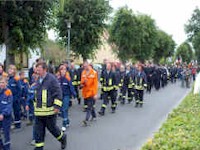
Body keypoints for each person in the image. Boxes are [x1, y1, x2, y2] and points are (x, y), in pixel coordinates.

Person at [34, 62, 66, 150]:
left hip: (50, 112)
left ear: (44, 70)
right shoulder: (37, 79)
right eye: (37, 70)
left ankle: (63, 138)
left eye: (39, 70)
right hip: (39, 113)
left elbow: (58, 93)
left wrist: (57, 106)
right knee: (38, 132)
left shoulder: (52, 79)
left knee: (53, 130)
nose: (37, 72)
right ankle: (39, 148)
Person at [58, 64, 76, 131]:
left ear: (66, 71)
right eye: (61, 69)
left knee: (64, 109)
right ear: (60, 71)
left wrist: (74, 94)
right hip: (59, 97)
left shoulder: (68, 79)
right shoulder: (58, 79)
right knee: (62, 111)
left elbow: (71, 87)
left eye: (64, 69)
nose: (63, 71)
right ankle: (67, 120)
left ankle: (64, 124)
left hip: (66, 96)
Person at [81, 60, 98, 126]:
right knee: (90, 106)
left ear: (89, 65)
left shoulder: (94, 73)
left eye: (86, 66)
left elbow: (95, 84)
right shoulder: (83, 72)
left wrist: (95, 94)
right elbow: (82, 82)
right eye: (84, 66)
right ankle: (94, 116)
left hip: (91, 92)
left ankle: (86, 119)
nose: (85, 67)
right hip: (85, 92)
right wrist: (83, 83)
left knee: (89, 106)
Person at [0, 77, 13, 150]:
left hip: (6, 117)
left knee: (6, 133)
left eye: (3, 82)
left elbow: (9, 105)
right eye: (0, 82)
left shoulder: (8, 92)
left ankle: (7, 147)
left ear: (6, 83)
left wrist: (3, 114)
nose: (1, 84)